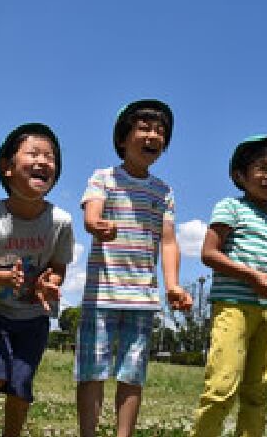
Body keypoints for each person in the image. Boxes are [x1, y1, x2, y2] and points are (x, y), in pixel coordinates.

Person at [75, 99, 193, 437]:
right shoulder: (104, 178)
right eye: (143, 128)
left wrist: (173, 285)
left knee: (132, 374)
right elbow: (91, 214)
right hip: (101, 295)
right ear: (123, 139)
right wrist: (96, 224)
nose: (152, 135)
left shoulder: (163, 191)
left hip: (142, 298)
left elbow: (168, 241)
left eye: (159, 131)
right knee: (92, 372)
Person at [0, 123, 74, 437]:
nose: (43, 161)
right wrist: (5, 277)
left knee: (20, 385)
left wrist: (52, 282)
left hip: (34, 318)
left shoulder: (60, 221)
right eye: (33, 153)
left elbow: (58, 267)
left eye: (50, 157)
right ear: (7, 167)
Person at [191, 135, 267, 437]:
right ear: (240, 175)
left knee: (257, 393)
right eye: (261, 168)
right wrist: (251, 275)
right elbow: (209, 253)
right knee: (222, 387)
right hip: (233, 308)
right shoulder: (230, 208)